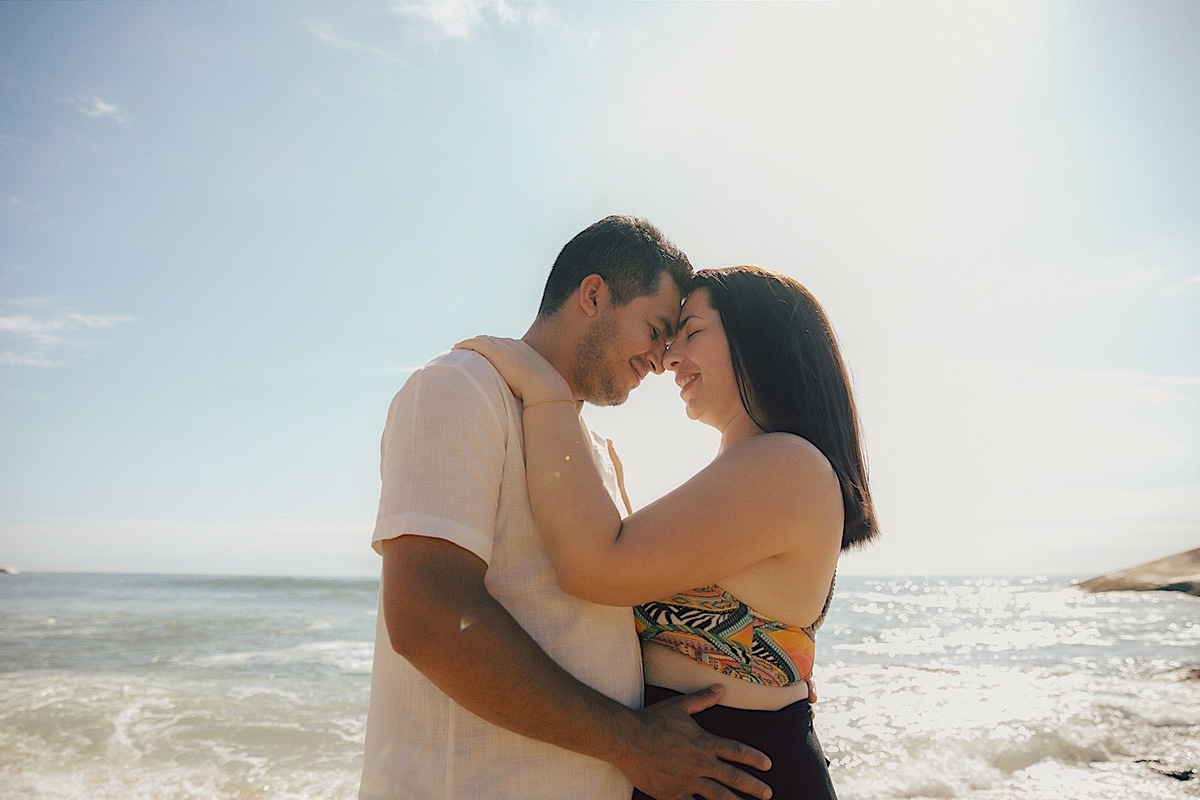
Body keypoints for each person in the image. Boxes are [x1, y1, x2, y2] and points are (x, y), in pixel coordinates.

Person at [359, 218, 774, 800]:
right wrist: (631, 743)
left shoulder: (595, 451)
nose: (660, 361)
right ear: (594, 295)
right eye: (654, 330)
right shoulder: (461, 389)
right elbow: (427, 617)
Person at [457, 265, 880, 800]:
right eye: (671, 335)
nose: (669, 357)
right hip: (708, 766)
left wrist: (547, 390)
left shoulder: (786, 463)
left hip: (740, 772)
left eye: (693, 332)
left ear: (759, 339)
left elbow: (594, 567)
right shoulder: (756, 466)